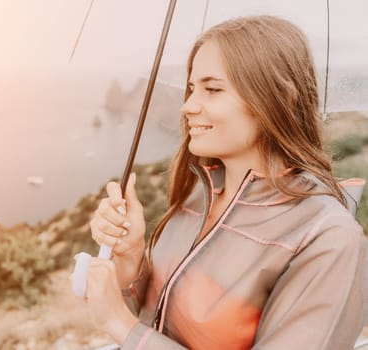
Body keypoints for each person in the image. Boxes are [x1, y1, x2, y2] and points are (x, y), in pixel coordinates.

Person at [81, 15, 367, 349]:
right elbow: (156, 319)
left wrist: (121, 324)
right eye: (190, 89)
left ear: (280, 98)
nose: (189, 106)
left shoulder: (326, 236)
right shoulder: (197, 196)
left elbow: (135, 330)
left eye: (212, 89)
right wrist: (131, 260)